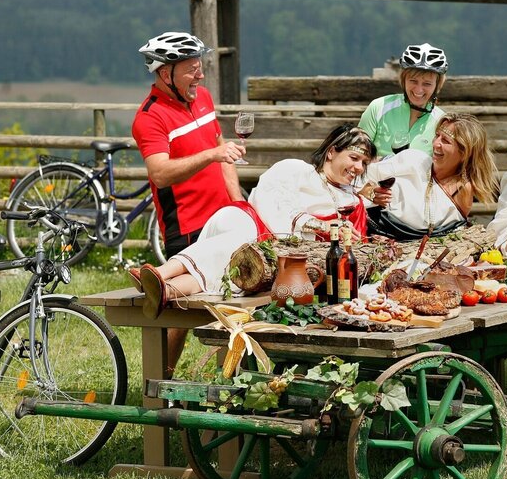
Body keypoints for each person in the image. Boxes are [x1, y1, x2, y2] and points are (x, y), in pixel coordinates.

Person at [137, 125, 377, 356]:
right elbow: (272, 204)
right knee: (240, 241)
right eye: (354, 158)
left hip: (275, 259)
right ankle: (161, 273)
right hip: (253, 225)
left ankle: (164, 289)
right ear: (332, 152)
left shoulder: (352, 203)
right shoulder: (295, 170)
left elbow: (351, 252)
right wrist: (321, 225)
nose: (358, 167)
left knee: (232, 265)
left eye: (364, 163)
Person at [131, 31, 246, 377]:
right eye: (192, 69)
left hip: (224, 218)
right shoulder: (150, 117)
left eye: (200, 67)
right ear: (166, 73)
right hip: (187, 225)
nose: (200, 75)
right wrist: (211, 154)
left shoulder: (203, 98)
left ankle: (227, 382)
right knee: (180, 316)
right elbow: (160, 173)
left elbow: (224, 153)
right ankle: (160, 382)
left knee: (232, 302)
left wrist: (239, 203)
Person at [362, 113, 499, 240]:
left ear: (464, 153)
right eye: (437, 136)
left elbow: (451, 231)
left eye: (445, 140)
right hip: (372, 235)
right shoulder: (413, 159)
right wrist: (370, 192)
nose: (435, 144)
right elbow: (359, 177)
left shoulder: (462, 190)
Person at [358, 43, 449, 157]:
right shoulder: (378, 107)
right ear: (403, 80)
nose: (419, 90)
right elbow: (358, 153)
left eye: (427, 84)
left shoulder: (442, 122)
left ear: (437, 85)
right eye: (413, 81)